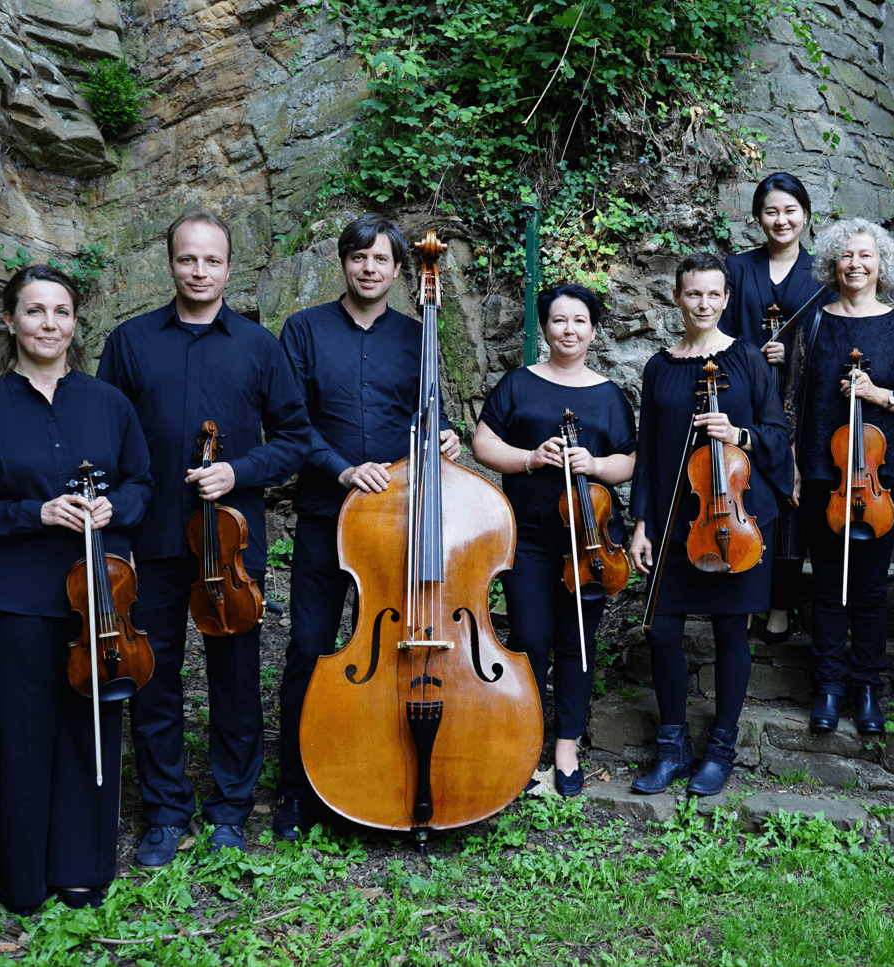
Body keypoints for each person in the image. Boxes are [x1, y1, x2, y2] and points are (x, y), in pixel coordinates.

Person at [97, 209, 311, 865]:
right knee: (154, 676)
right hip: (152, 537)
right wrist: (117, 535)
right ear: (171, 263)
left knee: (236, 679)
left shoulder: (258, 344)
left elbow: (296, 440)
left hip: (232, 545)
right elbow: (105, 440)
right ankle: (165, 810)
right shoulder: (130, 342)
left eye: (210, 260)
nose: (198, 270)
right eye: (187, 259)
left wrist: (239, 469)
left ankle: (229, 808)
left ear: (228, 266)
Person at [0, 266, 152, 913]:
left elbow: (142, 482)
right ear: (10, 321)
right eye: (35, 311)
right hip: (12, 599)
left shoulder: (109, 403)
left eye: (61, 311)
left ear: (75, 323)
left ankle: (83, 871)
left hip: (97, 599)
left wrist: (117, 508)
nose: (49, 323)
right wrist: (31, 513)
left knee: (92, 725)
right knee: (21, 730)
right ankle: (26, 882)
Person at [275, 214, 461, 836]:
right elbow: (291, 422)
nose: (369, 268)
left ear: (399, 270)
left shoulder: (418, 336)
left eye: (381, 260)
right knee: (310, 648)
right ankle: (296, 789)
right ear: (344, 263)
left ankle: (368, 774)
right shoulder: (302, 331)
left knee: (388, 657)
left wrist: (441, 441)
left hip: (397, 523)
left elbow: (426, 415)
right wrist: (342, 469)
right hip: (328, 513)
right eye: (359, 257)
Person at [628, 253, 794, 796]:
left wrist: (738, 435)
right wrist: (642, 523)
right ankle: (672, 747)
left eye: (713, 295)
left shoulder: (746, 359)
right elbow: (649, 453)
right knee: (663, 630)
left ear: (726, 299)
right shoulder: (659, 366)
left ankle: (720, 750)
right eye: (693, 293)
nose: (703, 303)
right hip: (679, 520)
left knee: (729, 631)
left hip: (740, 519)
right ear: (677, 298)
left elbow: (776, 435)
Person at [473, 284, 637, 796]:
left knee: (577, 644)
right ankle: (526, 738)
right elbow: (482, 443)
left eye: (580, 320)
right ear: (544, 328)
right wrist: (529, 458)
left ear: (593, 329)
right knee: (530, 638)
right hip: (527, 539)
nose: (570, 329)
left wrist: (595, 464)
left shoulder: (609, 394)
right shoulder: (518, 385)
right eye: (559, 320)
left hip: (588, 545)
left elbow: (629, 461)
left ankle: (566, 747)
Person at [782, 220, 894, 734]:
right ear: (833, 263)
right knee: (828, 587)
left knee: (869, 590)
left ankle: (867, 688)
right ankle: (828, 686)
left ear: (881, 264)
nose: (855, 265)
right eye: (846, 256)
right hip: (824, 474)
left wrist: (877, 395)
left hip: (880, 477)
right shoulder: (816, 324)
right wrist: (795, 465)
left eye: (865, 256)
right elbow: (793, 399)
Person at [722, 173, 832, 641]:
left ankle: (781, 605)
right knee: (744, 496)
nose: (781, 219)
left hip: (802, 402)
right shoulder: (736, 267)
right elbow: (719, 333)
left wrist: (795, 355)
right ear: (757, 217)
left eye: (790, 210)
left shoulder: (823, 273)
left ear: (805, 215)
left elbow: (830, 340)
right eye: (771, 211)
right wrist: (749, 356)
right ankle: (744, 596)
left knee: (791, 498)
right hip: (744, 401)